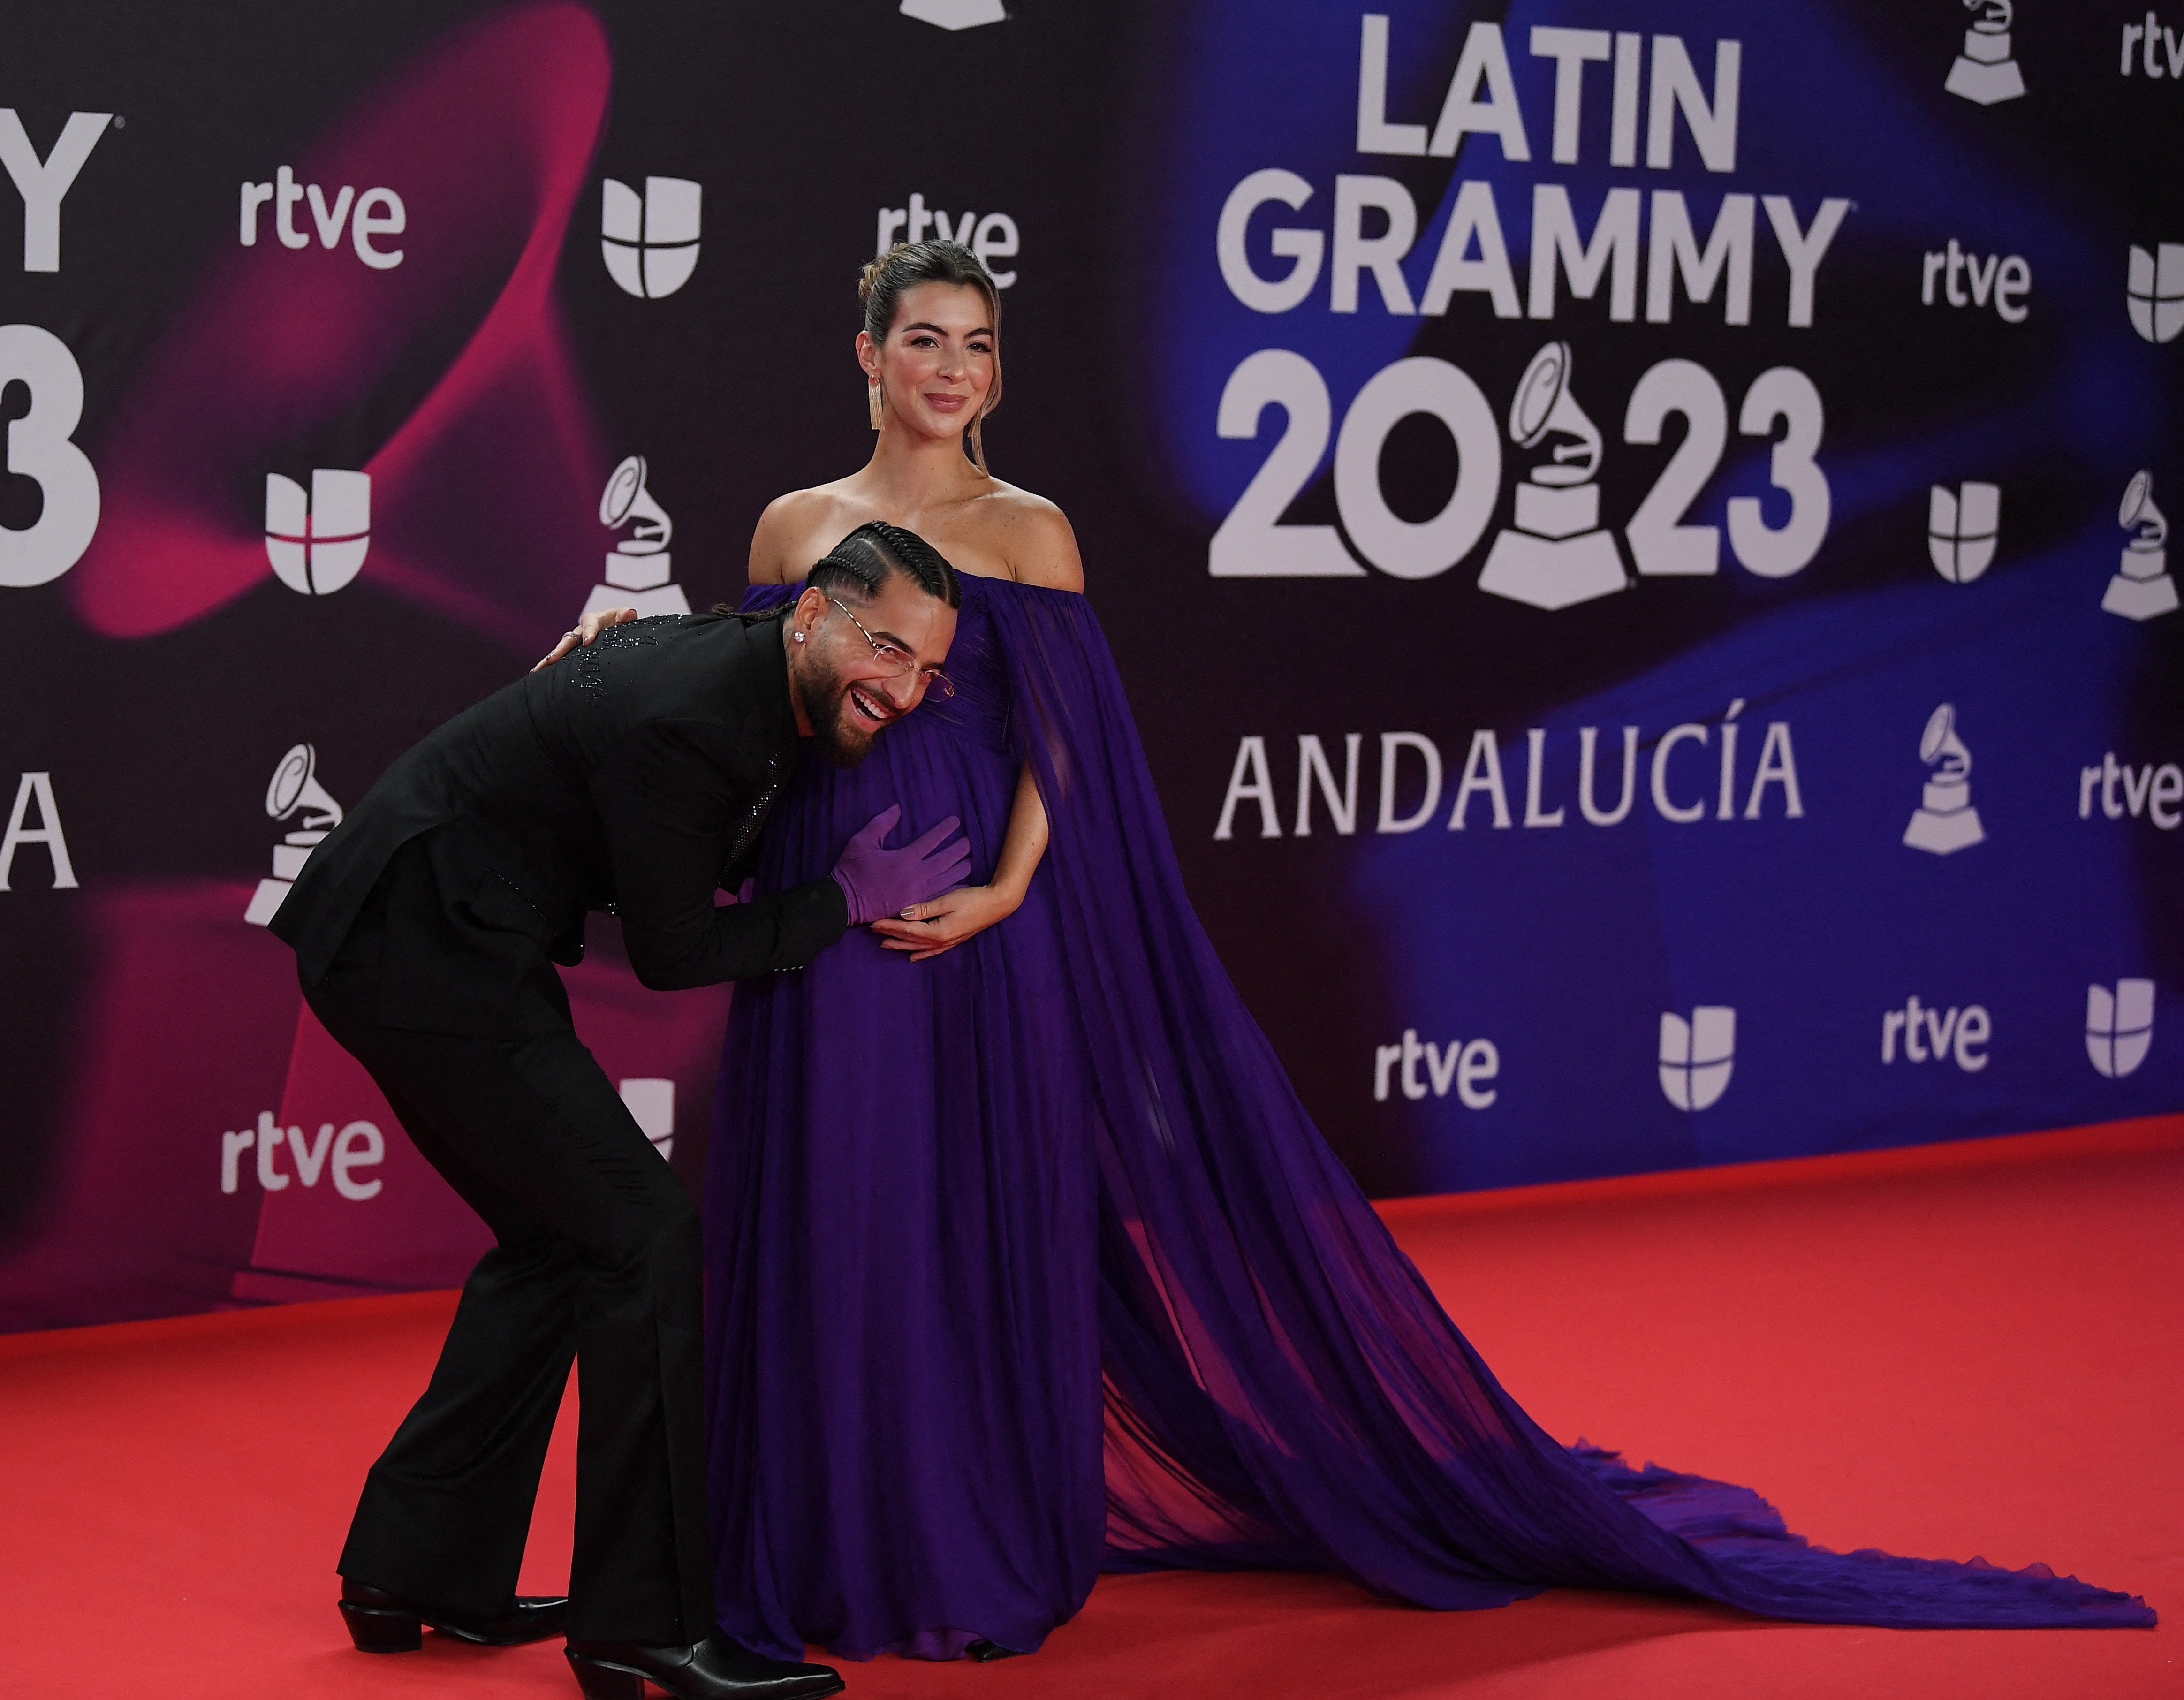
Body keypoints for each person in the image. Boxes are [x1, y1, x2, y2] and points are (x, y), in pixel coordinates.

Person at [566, 238, 2157, 1663]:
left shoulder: (1027, 531)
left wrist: (998, 894)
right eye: (923, 338)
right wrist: (629, 659)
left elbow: (1071, 749)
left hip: (970, 931)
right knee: (828, 1218)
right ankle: (812, 1553)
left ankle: (954, 1551)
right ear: (865, 351)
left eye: (975, 344)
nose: (951, 370)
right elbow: (754, 698)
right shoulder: (796, 521)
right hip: (817, 916)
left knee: (962, 1228)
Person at [269, 530, 975, 1700]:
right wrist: (842, 901)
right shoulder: (693, 718)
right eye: (886, 647)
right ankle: (644, 1628)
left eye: (925, 672)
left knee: (565, 1242)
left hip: (433, 930)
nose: (901, 690)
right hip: (418, 945)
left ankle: (416, 1573)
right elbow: (676, 951)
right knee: (644, 1235)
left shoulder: (747, 667)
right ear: (811, 614)